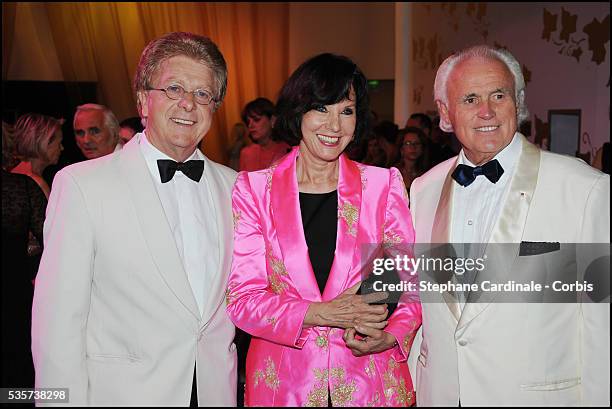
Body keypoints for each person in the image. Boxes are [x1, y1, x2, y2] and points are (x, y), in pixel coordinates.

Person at [32, 31, 238, 406]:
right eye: (174, 88)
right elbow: (57, 325)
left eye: (203, 94)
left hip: (213, 393)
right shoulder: (82, 185)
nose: (188, 104)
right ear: (144, 100)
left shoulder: (237, 188)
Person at [409, 44, 610, 406]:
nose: (486, 111)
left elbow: (603, 326)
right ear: (445, 112)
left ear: (517, 102)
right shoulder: (423, 189)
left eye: (498, 95)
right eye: (469, 99)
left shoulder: (585, 189)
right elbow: (421, 307)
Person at [226, 53, 421, 407]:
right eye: (321, 108)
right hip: (284, 385)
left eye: (346, 110)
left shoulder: (383, 185)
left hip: (369, 380)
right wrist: (322, 313)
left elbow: (411, 282)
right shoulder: (254, 190)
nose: (334, 125)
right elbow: (243, 299)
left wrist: (390, 335)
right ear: (298, 112)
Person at [2, 123, 47, 390]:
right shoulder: (21, 188)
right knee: (21, 384)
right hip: (16, 300)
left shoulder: (22, 188)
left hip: (18, 300)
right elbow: (53, 246)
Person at [11, 113, 64, 198]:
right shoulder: (36, 184)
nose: (62, 148)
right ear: (45, 143)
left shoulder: (13, 173)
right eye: (59, 143)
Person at [239, 97, 290, 171]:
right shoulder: (246, 153)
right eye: (248, 122)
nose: (250, 125)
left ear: (272, 120)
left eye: (256, 120)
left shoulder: (287, 150)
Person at [396, 126, 430, 192]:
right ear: (401, 149)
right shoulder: (394, 173)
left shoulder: (428, 174)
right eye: (408, 143)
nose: (413, 147)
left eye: (417, 143)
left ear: (422, 148)